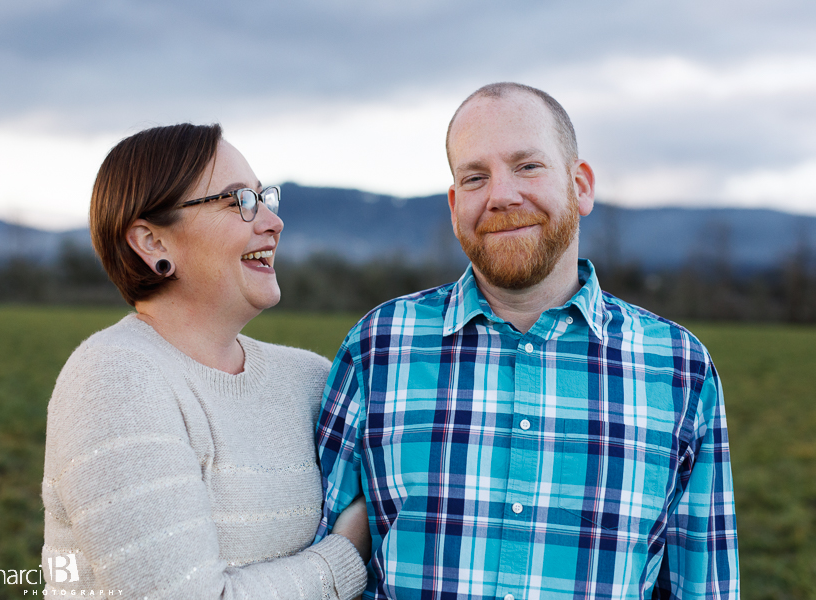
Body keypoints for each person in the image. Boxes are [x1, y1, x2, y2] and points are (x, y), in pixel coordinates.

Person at [316, 83, 739, 599]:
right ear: (454, 207)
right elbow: (320, 564)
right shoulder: (377, 350)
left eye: (527, 166)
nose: (501, 195)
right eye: (475, 177)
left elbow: (705, 586)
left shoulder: (679, 369)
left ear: (579, 186)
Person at [41, 123, 369, 599]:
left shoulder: (312, 379)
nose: (273, 223)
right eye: (239, 201)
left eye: (264, 198)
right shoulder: (115, 379)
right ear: (153, 242)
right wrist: (346, 553)